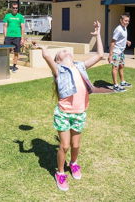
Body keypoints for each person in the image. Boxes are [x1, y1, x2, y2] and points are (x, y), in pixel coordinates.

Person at [35, 21, 104, 191]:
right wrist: (43, 49)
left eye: (68, 50)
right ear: (59, 59)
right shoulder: (59, 71)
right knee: (64, 146)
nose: (66, 51)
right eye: (62, 51)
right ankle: (60, 173)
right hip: (64, 113)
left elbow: (101, 55)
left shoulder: (80, 66)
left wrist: (98, 34)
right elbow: (47, 57)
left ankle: (73, 163)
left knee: (76, 146)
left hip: (80, 113)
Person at [108, 14, 132, 92]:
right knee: (115, 67)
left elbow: (121, 38)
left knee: (121, 66)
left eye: (128, 21)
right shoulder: (118, 29)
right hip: (116, 52)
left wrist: (126, 41)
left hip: (121, 52)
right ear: (121, 20)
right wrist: (110, 55)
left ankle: (122, 82)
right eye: (125, 20)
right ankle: (115, 85)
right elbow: (113, 42)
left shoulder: (124, 28)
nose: (127, 22)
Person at [3, 3, 25, 72]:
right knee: (6, 51)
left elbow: (23, 28)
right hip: (8, 36)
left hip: (17, 36)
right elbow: (5, 26)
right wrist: (5, 36)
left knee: (16, 52)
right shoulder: (7, 16)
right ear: (11, 8)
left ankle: (14, 66)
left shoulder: (20, 16)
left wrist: (22, 38)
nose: (15, 9)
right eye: (14, 8)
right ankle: (5, 65)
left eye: (16, 8)